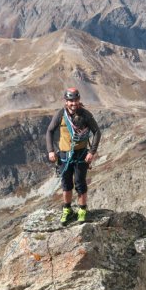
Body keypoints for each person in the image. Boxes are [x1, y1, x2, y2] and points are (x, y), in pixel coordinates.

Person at [46, 87, 101, 224]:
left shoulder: (85, 115)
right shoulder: (60, 115)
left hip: (81, 155)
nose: (73, 103)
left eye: (75, 100)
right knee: (66, 183)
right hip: (64, 155)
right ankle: (67, 210)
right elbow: (50, 131)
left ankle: (82, 211)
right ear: (66, 101)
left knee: (80, 183)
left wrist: (91, 152)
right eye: (70, 101)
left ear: (79, 100)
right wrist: (50, 150)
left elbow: (97, 132)